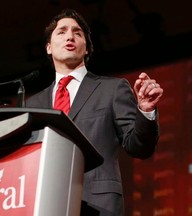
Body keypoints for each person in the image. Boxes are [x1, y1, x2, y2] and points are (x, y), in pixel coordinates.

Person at [26, 8, 163, 216]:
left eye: (77, 33)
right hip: (44, 204)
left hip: (98, 206)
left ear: (87, 48)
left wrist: (145, 110)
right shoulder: (32, 104)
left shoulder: (112, 89)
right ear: (48, 47)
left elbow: (138, 147)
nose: (70, 36)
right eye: (61, 32)